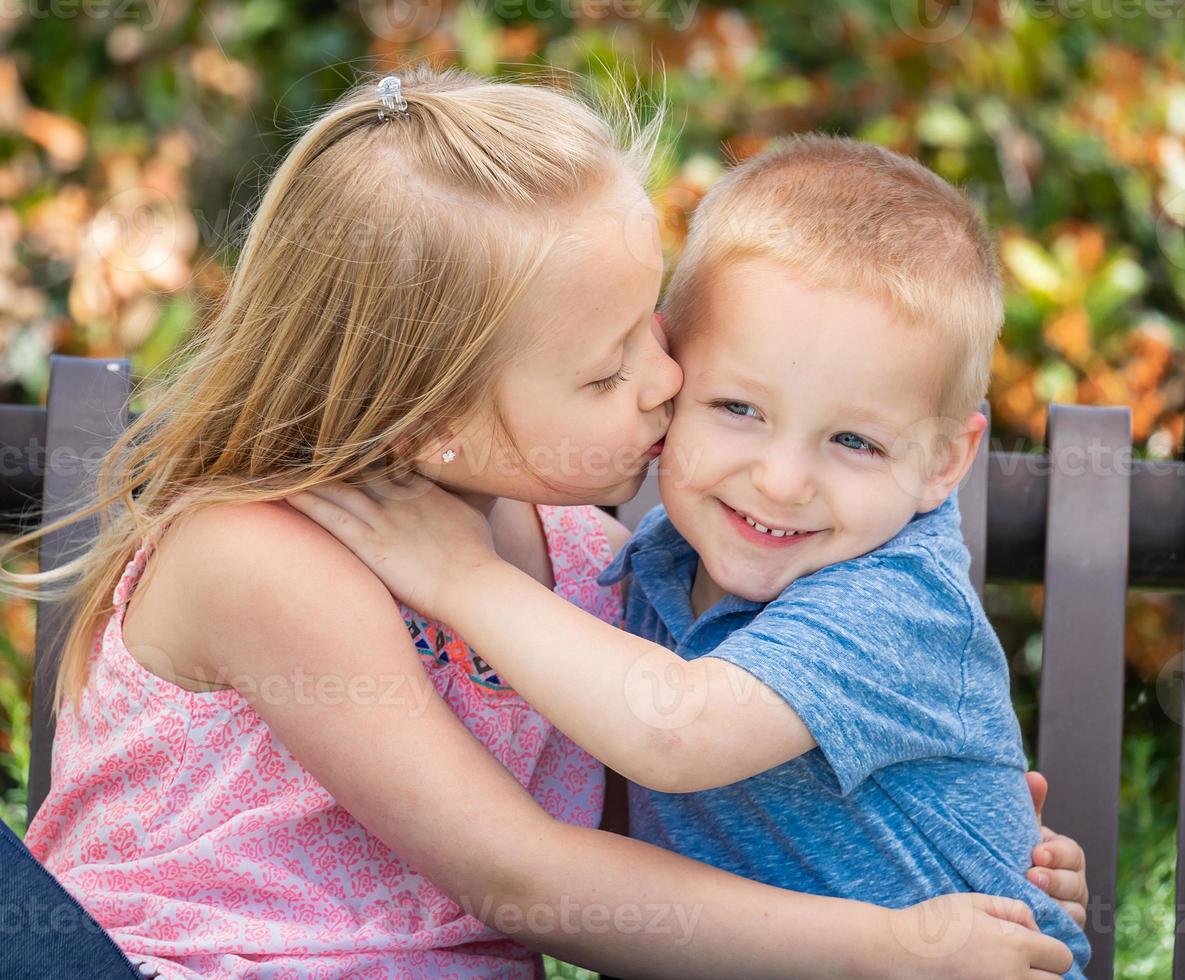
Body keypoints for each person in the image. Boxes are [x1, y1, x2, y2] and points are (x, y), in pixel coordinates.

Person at [5, 67, 1080, 979]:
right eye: (609, 367)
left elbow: (663, 823)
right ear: (434, 424)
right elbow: (525, 876)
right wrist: (889, 944)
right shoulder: (266, 556)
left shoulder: (587, 562)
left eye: (654, 324)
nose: (667, 380)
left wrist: (946, 841)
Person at [285, 135, 1090, 977]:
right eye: (738, 407)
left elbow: (674, 732)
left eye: (853, 441)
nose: (780, 482)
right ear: (671, 374)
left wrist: (459, 572)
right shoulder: (655, 566)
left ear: (943, 463)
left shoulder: (894, 599)